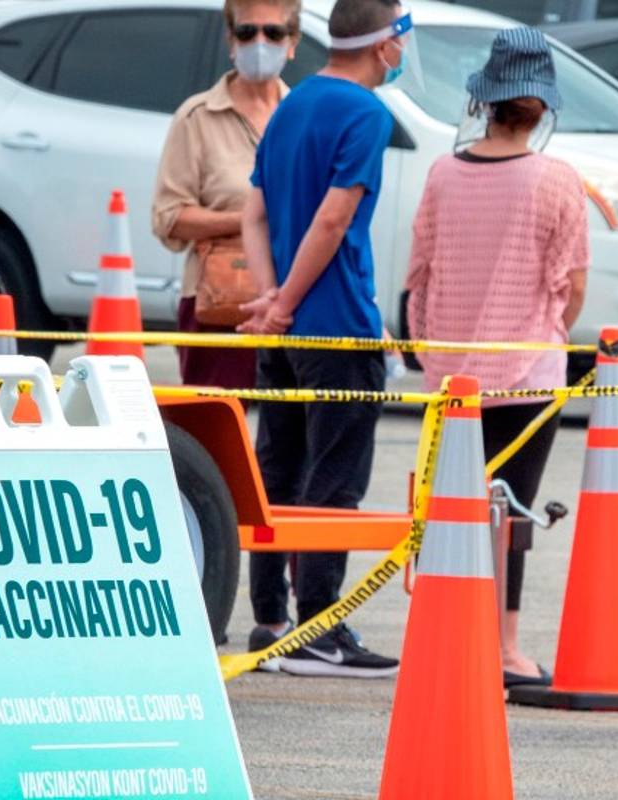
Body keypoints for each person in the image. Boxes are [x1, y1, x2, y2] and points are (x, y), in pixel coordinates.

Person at [405, 27, 589, 688]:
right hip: (528, 373)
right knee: (512, 511)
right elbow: (570, 286)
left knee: (453, 505)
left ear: (485, 102)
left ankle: (445, 632)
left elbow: (418, 274)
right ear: (541, 108)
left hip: (450, 374)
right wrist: (546, 330)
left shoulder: (443, 174)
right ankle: (506, 645)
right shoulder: (557, 181)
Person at [235, 0, 413, 678]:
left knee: (278, 469)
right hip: (335, 325)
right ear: (385, 44)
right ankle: (318, 627)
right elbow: (334, 219)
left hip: (283, 333)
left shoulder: (294, 101)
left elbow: (253, 213)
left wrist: (271, 298)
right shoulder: (366, 113)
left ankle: (271, 620)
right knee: (333, 480)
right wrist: (285, 301)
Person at [153, 0, 300, 390]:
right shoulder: (197, 116)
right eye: (248, 32)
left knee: (288, 438)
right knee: (214, 428)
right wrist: (247, 221)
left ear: (293, 42)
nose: (260, 42)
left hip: (292, 294)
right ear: (231, 41)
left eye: (273, 32)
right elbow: (168, 218)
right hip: (219, 296)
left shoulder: (303, 114)